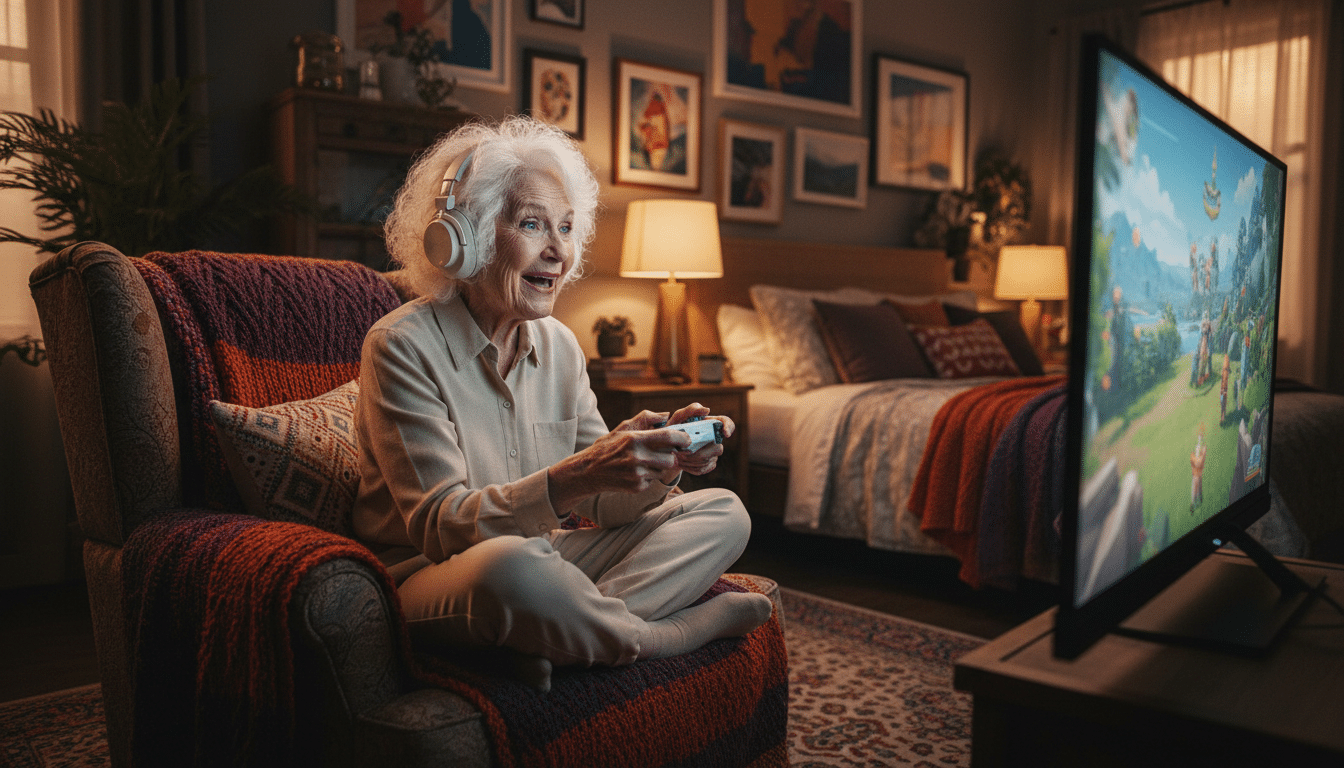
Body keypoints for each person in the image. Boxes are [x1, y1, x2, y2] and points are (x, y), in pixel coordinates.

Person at [353, 117, 772, 692]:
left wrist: (654, 463)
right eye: (532, 224)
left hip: (547, 562)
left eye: (568, 228)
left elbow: (602, 505)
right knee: (513, 570)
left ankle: (556, 638)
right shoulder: (400, 347)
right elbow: (441, 527)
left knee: (724, 512)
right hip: (439, 576)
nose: (558, 251)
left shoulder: (560, 347)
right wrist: (576, 475)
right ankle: (663, 637)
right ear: (465, 236)